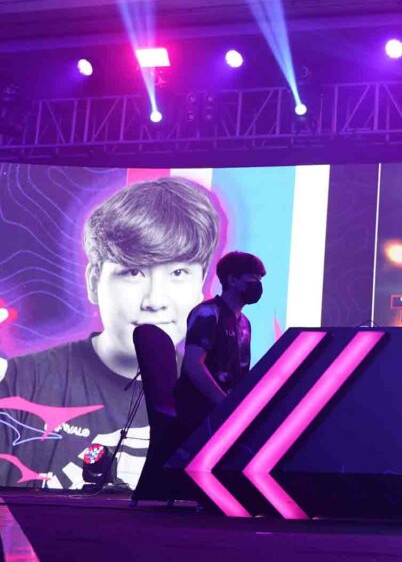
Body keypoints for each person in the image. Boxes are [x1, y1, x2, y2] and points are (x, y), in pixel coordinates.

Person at [0, 177, 220, 489]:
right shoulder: (20, 382)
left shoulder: (217, 404)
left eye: (178, 272)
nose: (154, 301)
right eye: (133, 272)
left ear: (202, 284)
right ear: (94, 281)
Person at [174, 251, 265, 437]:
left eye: (260, 278)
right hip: (200, 416)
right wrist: (225, 404)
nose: (258, 283)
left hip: (227, 416)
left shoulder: (245, 324)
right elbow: (193, 365)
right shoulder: (207, 313)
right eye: (253, 277)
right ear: (232, 280)